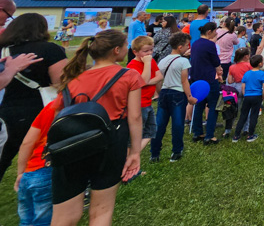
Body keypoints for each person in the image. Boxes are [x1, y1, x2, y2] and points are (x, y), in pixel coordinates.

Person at [50, 29, 143, 226]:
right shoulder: (129, 75)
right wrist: (135, 152)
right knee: (101, 211)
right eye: (126, 46)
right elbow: (135, 117)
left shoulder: (73, 77)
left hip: (71, 141)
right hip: (110, 141)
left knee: (64, 215)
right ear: (116, 50)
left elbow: (59, 111)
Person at [0, 14, 68, 180]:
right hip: (41, 109)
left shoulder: (4, 50)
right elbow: (62, 82)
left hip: (6, 110)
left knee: (3, 156)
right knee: (45, 154)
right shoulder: (50, 49)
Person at [151, 32, 197, 163]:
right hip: (178, 94)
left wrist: (159, 93)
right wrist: (189, 97)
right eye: (187, 46)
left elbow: (158, 80)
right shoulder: (183, 61)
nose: (188, 48)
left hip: (164, 92)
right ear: (180, 47)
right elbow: (184, 81)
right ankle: (176, 151)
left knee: (160, 124)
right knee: (177, 124)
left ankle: (154, 153)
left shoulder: (162, 61)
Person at [14, 102, 55, 226]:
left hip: (29, 173)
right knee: (43, 221)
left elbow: (27, 143)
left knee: (26, 219)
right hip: (48, 172)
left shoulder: (51, 107)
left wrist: (21, 173)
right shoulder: (77, 108)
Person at [127, 36, 163, 157]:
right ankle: (130, 158)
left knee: (151, 131)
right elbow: (142, 81)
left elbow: (159, 76)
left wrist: (146, 81)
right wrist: (147, 64)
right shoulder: (132, 66)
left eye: (151, 50)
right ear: (135, 52)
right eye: (145, 51)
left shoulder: (151, 61)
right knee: (136, 135)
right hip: (138, 104)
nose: (149, 54)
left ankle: (132, 155)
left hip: (148, 102)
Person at [190, 22, 222, 145]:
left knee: (198, 106)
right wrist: (219, 71)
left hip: (196, 78)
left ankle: (197, 132)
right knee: (213, 106)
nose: (216, 34)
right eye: (215, 32)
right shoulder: (210, 44)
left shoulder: (196, 43)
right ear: (209, 32)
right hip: (209, 79)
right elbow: (216, 61)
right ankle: (209, 135)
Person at [233, 55, 264, 143]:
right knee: (254, 115)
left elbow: (243, 86)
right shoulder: (262, 74)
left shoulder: (247, 73)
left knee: (243, 115)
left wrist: (245, 95)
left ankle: (236, 135)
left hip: (247, 96)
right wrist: (262, 96)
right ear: (260, 64)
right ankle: (250, 135)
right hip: (257, 96)